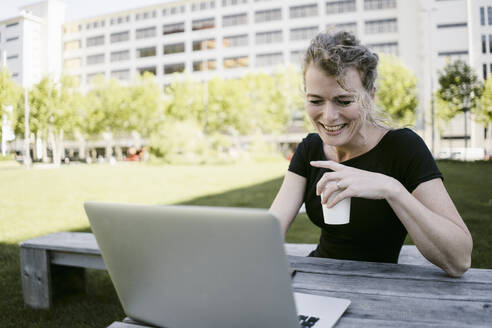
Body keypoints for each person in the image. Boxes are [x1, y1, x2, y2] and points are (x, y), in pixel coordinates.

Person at [269, 30, 472, 277]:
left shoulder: (403, 148)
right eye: (316, 101)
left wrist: (392, 189)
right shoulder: (310, 149)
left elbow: (459, 260)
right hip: (319, 278)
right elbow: (270, 231)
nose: (329, 116)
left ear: (370, 96)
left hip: (378, 287)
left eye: (344, 101)